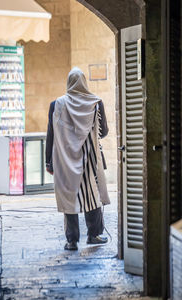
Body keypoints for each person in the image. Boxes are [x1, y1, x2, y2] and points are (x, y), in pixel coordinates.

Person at [46, 67, 110, 251]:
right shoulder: (96, 103)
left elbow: (50, 135)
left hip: (64, 159)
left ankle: (72, 240)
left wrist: (48, 162)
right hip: (89, 158)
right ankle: (94, 234)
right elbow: (103, 132)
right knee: (92, 193)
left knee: (69, 195)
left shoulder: (56, 104)